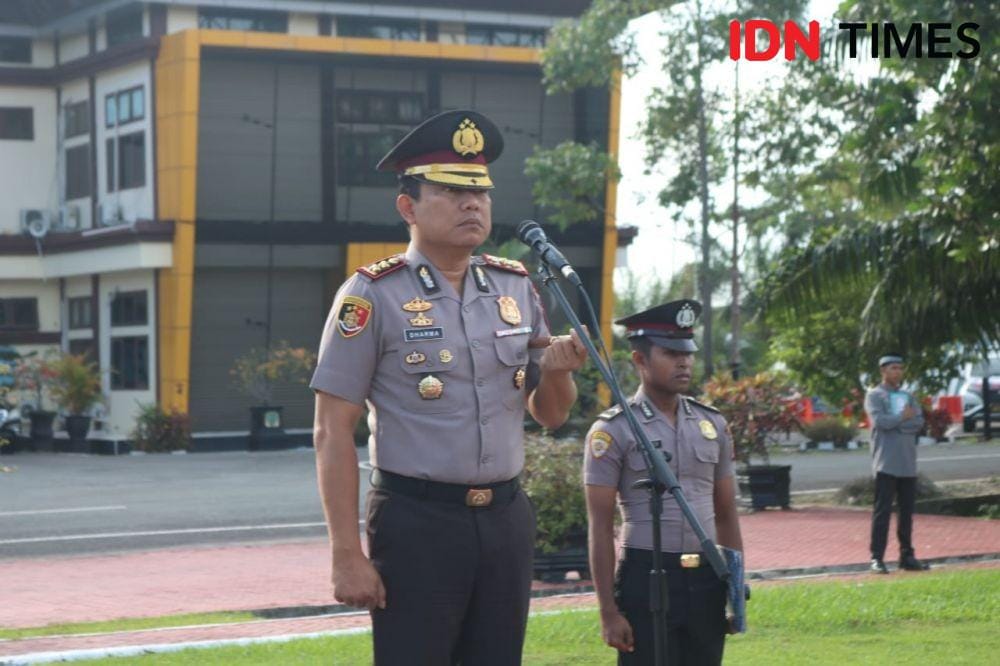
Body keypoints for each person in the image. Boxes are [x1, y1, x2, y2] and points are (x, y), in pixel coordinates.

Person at [309, 109, 588, 665]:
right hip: (418, 521)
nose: (472, 204)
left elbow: (550, 415)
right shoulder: (371, 295)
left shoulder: (514, 287)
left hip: (506, 518)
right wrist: (346, 553)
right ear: (407, 207)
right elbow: (330, 430)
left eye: (480, 192)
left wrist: (557, 370)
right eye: (452, 191)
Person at [583, 300, 744, 666]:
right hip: (646, 577)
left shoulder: (712, 424)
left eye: (687, 353)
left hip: (707, 577)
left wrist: (735, 590)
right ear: (640, 360)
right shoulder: (613, 429)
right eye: (671, 353)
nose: (684, 362)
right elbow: (601, 526)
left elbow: (727, 514)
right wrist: (608, 610)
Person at [865, 353, 929, 574]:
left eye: (900, 368)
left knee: (907, 512)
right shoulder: (874, 396)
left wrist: (900, 423)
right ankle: (877, 558)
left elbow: (919, 422)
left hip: (907, 463)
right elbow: (880, 422)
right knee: (882, 511)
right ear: (883, 371)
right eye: (893, 368)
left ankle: (907, 556)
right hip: (886, 462)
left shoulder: (908, 396)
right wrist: (902, 419)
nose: (897, 372)